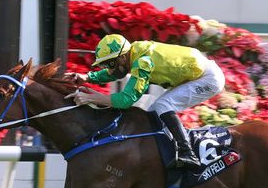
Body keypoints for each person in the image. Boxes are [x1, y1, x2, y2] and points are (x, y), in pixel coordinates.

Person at [69, 34, 225, 171]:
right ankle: (168, 153)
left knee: (162, 106)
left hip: (208, 79)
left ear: (122, 57)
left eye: (109, 64)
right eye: (105, 65)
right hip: (197, 74)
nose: (109, 69)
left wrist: (93, 97)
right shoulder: (132, 53)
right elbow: (116, 73)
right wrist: (87, 77)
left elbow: (126, 100)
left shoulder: (143, 62)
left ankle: (188, 153)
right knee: (153, 113)